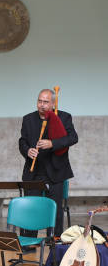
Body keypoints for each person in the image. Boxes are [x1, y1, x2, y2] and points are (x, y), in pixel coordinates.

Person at [19, 88, 78, 235]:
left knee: (56, 210)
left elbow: (73, 138)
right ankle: (29, 243)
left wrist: (52, 144)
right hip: (34, 172)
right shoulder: (28, 119)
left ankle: (55, 242)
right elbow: (22, 141)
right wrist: (27, 151)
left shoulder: (64, 117)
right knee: (31, 209)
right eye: (39, 101)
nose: (42, 105)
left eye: (46, 102)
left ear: (53, 103)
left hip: (56, 171)